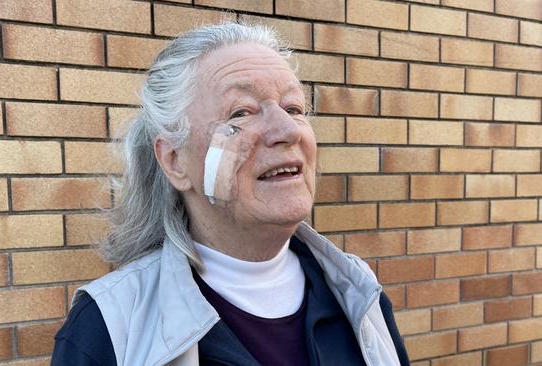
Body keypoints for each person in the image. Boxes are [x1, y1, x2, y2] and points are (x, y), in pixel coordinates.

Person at [51, 22, 410, 366]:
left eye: (294, 108)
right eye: (241, 112)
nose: (287, 129)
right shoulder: (109, 326)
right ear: (175, 161)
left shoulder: (357, 294)